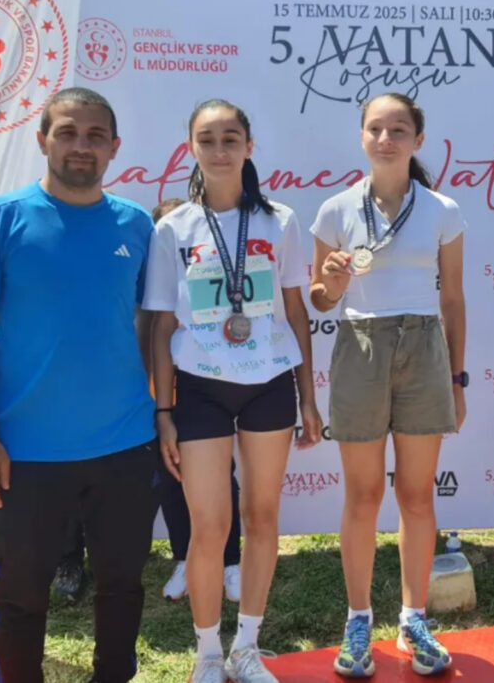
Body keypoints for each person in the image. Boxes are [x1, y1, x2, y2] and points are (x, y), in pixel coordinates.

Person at [0, 87, 159, 683]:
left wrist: (162, 413)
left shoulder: (137, 224)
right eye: (67, 133)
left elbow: (150, 325)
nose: (81, 146)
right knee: (21, 596)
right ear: (43, 140)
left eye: (95, 136)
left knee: (122, 585)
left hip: (125, 445)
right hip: (26, 452)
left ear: (115, 147)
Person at [144, 99, 323, 683]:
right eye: (207, 139)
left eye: (230, 138)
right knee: (209, 526)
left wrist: (308, 397)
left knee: (262, 516)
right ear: (191, 148)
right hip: (200, 390)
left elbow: (296, 312)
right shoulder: (173, 228)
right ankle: (207, 653)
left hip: (269, 383)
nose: (219, 150)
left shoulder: (280, 220)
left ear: (249, 147)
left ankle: (246, 647)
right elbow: (162, 325)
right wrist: (164, 410)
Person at [309, 92, 467, 678]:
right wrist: (330, 283)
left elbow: (453, 299)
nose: (386, 138)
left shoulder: (443, 209)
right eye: (375, 128)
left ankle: (413, 618)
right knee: (363, 495)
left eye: (398, 129)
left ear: (417, 140)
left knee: (418, 497)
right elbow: (321, 299)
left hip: (424, 347)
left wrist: (458, 378)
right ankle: (358, 621)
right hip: (361, 346)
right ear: (361, 137)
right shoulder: (335, 210)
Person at [149, 198, 242, 604]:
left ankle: (231, 561)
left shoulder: (213, 277)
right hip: (158, 400)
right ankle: (184, 560)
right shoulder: (147, 283)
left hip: (202, 392)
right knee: (170, 480)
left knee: (222, 478)